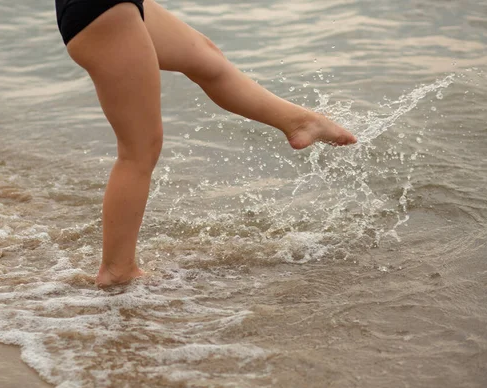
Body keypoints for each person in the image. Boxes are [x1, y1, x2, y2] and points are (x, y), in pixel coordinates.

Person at [55, 0, 357, 288]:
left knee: (206, 58)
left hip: (113, 6)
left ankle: (300, 122)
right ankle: (117, 271)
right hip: (102, 10)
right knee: (139, 149)